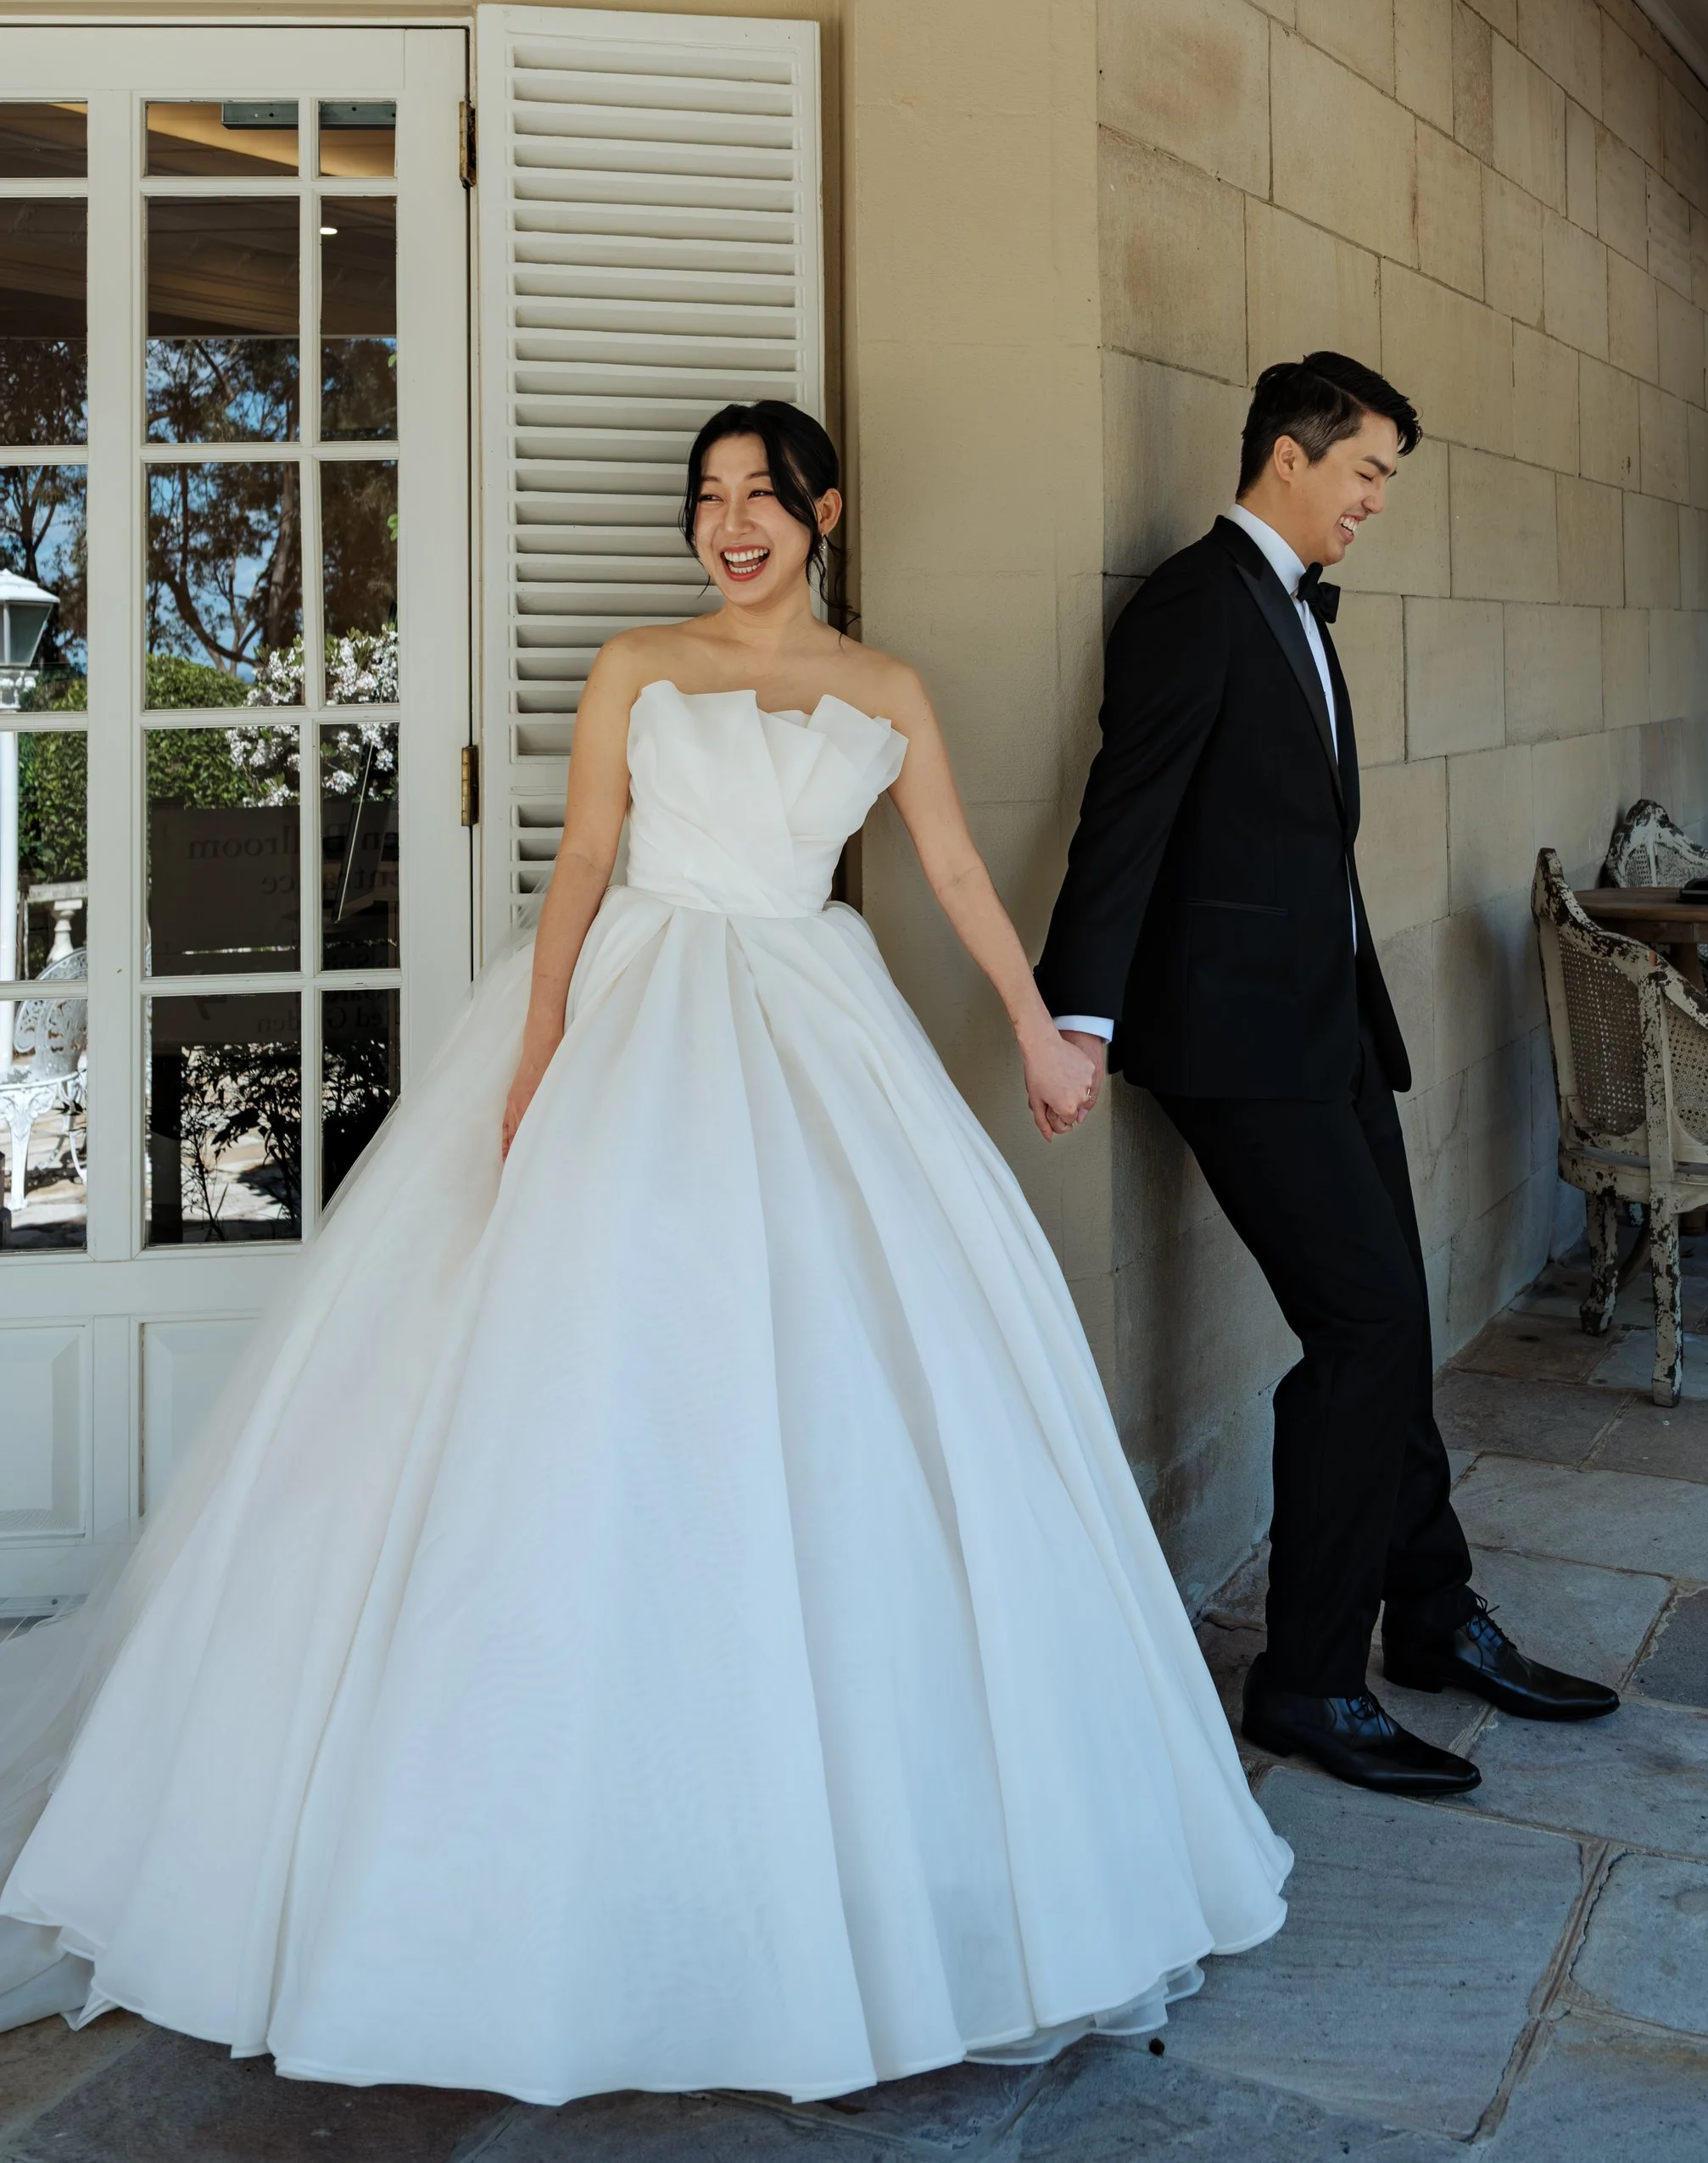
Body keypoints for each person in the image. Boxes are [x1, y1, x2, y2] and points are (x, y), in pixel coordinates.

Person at [0, 403, 1290, 2106]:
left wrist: (1047, 1037)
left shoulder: (886, 689)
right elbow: (586, 864)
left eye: (759, 496)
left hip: (815, 1030)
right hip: (637, 1020)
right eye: (706, 501)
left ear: (822, 509)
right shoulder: (635, 664)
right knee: (580, 1389)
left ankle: (837, 1867)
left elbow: (961, 872)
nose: (729, 525)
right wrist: (534, 1062)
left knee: (841, 1402)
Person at [1037, 350, 1619, 1797]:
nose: (1374, 501)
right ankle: (1303, 1681)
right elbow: (1126, 814)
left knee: (1391, 1325)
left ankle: (1428, 1613)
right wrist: (1079, 1020)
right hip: (1239, 1046)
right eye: (1365, 470)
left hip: (1329, 1026)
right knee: (1362, 1331)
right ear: (1288, 456)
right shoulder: (1192, 604)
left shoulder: (1287, 605)